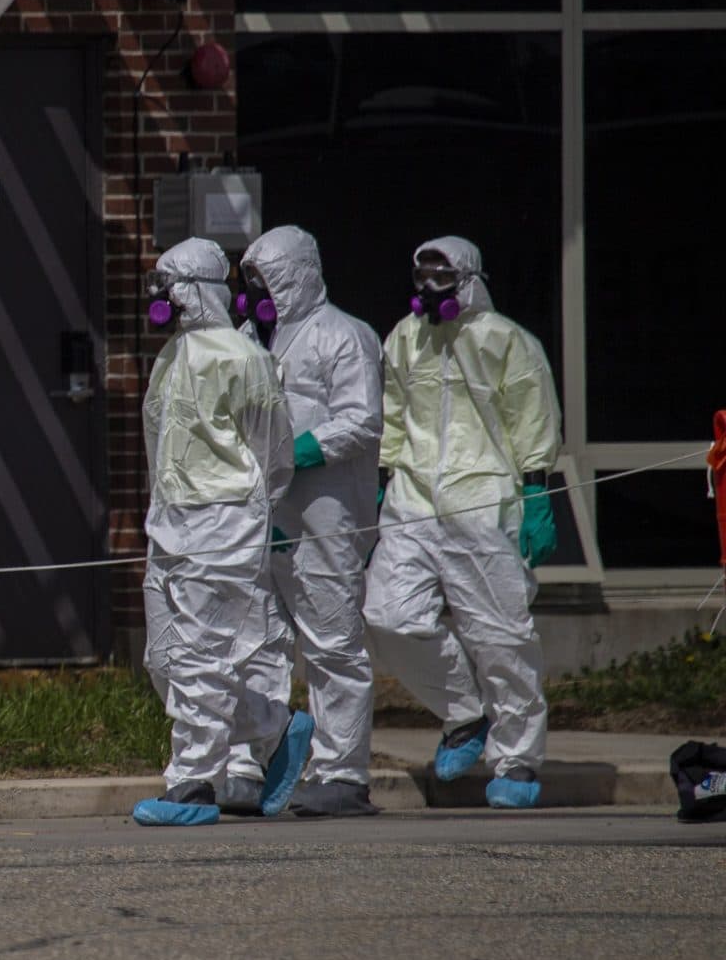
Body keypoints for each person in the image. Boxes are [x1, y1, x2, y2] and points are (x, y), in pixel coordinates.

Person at [363, 236, 561, 809]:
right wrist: (383, 481)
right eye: (421, 276)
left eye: (441, 278)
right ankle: (465, 714)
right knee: (388, 616)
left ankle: (517, 759)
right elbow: (393, 414)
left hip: (484, 501)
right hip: (414, 500)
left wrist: (537, 494)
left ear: (468, 280)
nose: (428, 289)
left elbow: (534, 421)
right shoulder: (405, 336)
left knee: (498, 634)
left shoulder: (507, 343)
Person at [134, 237, 314, 827]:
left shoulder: (244, 357)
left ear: (200, 290)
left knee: (199, 658)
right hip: (169, 524)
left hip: (223, 521)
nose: (162, 299)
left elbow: (274, 450)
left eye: (172, 287)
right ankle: (271, 726)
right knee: (165, 659)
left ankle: (193, 781)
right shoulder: (169, 359)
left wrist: (254, 516)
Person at [222, 226, 385, 818]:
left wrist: (295, 451)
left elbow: (362, 419)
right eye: (249, 282)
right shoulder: (244, 341)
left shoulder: (345, 336)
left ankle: (342, 773)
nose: (254, 292)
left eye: (264, 280)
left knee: (332, 641)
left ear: (294, 276)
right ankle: (249, 763)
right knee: (254, 635)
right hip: (261, 509)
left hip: (326, 512)